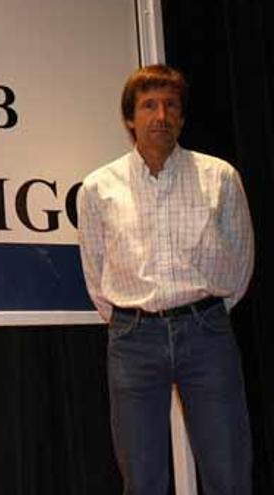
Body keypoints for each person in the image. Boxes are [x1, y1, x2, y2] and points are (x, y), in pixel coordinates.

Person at [77, 64, 254, 494]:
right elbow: (95, 271)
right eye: (149, 105)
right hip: (133, 339)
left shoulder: (220, 178)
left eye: (171, 106)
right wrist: (132, 318)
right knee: (142, 479)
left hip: (206, 334)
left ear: (182, 117)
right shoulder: (99, 188)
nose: (161, 116)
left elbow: (241, 260)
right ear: (129, 119)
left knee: (228, 471)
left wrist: (204, 312)